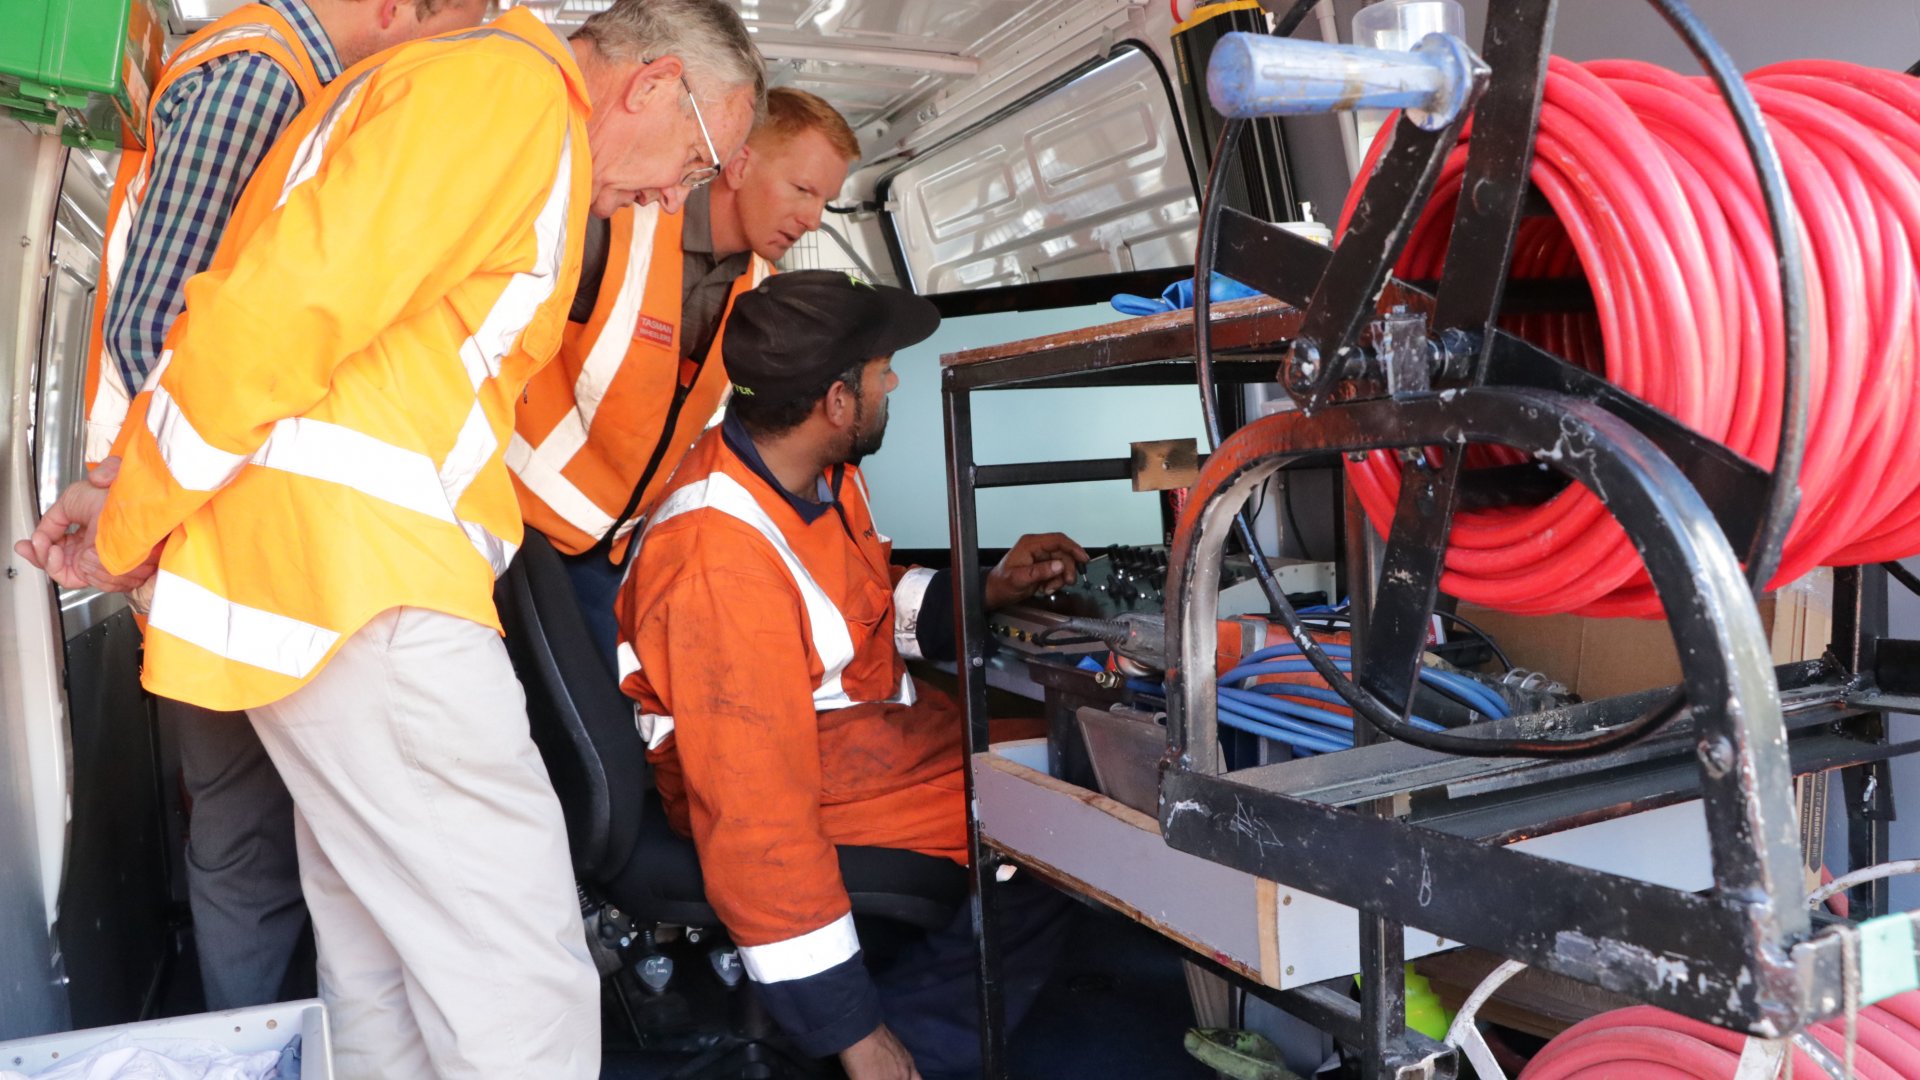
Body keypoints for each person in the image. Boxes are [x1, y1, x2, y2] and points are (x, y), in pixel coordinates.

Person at [16, 0, 764, 1075]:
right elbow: (271, 319)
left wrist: (129, 486)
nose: (670, 199)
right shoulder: (509, 97)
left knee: (377, 954)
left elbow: (266, 319)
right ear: (650, 84)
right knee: (519, 973)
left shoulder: (448, 93)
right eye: (696, 162)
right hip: (370, 597)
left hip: (315, 606)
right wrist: (133, 522)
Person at [75, 0, 488, 1013]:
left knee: (260, 816)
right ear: (400, 8)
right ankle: (265, 1041)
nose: (444, 67)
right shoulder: (266, 76)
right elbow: (166, 331)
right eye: (453, 32)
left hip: (196, 522)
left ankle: (276, 1032)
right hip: (209, 535)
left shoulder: (282, 72)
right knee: (253, 818)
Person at [614, 270, 1084, 1079]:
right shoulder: (716, 565)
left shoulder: (807, 475)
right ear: (836, 401)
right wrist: (853, 1030)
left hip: (864, 742)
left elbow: (857, 606)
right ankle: (907, 1056)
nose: (893, 379)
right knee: (1069, 820)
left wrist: (984, 588)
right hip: (799, 778)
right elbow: (758, 818)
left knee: (1072, 750)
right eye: (880, 369)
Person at [510, 87, 863, 667]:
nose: (814, 218)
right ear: (741, 163)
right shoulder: (617, 221)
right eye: (802, 189)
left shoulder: (761, 293)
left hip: (615, 555)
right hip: (517, 526)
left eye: (825, 200)